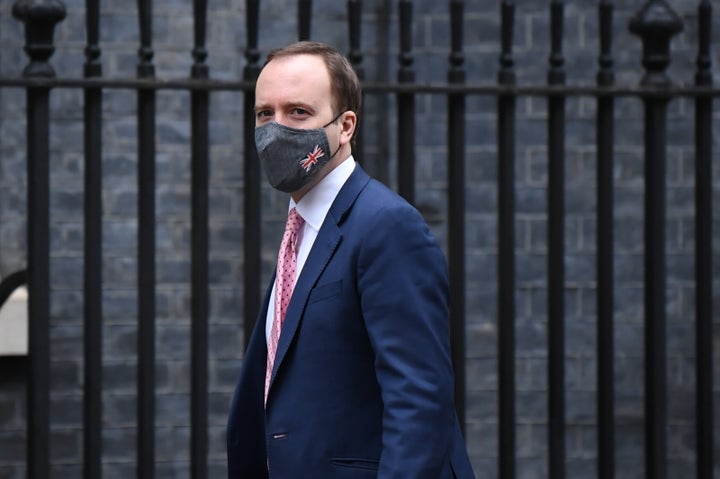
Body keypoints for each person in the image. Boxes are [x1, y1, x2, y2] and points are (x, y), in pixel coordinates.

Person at [226, 41, 475, 479]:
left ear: (345, 126)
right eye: (265, 113)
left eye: (298, 112)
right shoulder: (300, 229)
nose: (275, 129)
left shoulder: (386, 226)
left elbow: (420, 403)